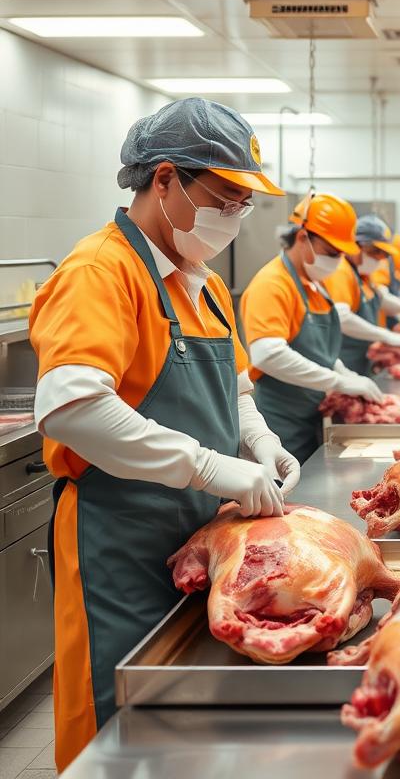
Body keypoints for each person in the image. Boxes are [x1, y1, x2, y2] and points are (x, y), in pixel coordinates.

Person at [30, 98, 297, 771]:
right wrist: (210, 468)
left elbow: (233, 387)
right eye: (227, 197)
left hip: (195, 544)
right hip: (117, 544)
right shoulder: (101, 271)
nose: (236, 216)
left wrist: (259, 440)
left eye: (244, 202)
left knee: (180, 729)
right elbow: (72, 408)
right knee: (116, 729)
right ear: (166, 180)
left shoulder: (199, 284)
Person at [240, 193, 387, 465]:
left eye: (342, 253)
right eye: (331, 253)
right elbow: (268, 355)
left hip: (311, 415)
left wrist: (344, 371)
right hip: (280, 424)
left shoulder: (315, 285)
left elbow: (319, 350)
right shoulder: (272, 284)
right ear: (302, 237)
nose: (337, 260)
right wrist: (337, 381)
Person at [323, 214, 400, 375]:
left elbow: (381, 299)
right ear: (355, 245)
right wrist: (384, 334)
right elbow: (341, 317)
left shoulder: (362, 272)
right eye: (374, 251)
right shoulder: (341, 270)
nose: (378, 258)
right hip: (344, 360)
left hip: (361, 358)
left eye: (382, 254)